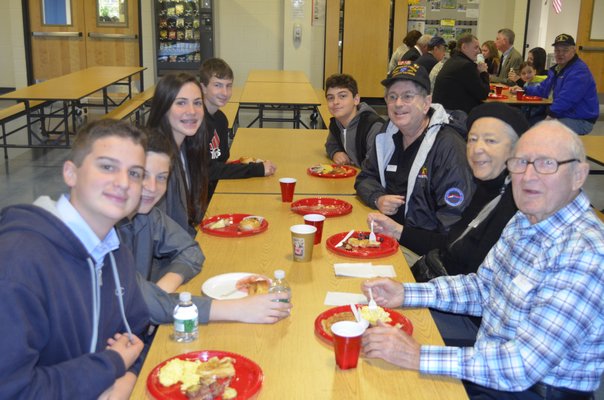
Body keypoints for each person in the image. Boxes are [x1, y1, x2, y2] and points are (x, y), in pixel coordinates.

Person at [362, 120, 603, 399]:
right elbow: (483, 287)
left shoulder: (585, 253)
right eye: (520, 162)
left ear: (578, 175)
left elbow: (522, 365)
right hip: (489, 365)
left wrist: (417, 356)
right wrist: (405, 292)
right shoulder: (524, 221)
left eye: (547, 164)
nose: (528, 176)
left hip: (531, 390)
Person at [0, 119, 149, 399]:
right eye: (107, 166)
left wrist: (125, 379)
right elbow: (12, 391)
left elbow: (137, 335)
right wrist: (112, 365)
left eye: (135, 173)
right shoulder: (17, 263)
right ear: (71, 173)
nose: (123, 183)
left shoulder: (117, 254)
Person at [118, 130, 292, 325]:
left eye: (161, 177)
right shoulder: (104, 231)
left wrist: (163, 288)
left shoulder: (147, 214)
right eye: (141, 175)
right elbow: (140, 303)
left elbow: (190, 250)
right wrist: (236, 309)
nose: (151, 186)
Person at [369, 102, 528, 284]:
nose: (477, 149)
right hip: (438, 281)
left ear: (517, 148)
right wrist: (397, 231)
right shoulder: (486, 189)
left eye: (490, 140)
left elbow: (481, 289)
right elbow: (451, 245)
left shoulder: (519, 207)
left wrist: (413, 293)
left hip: (452, 300)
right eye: (473, 139)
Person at [354, 64, 474, 257]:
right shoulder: (388, 133)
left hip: (423, 254)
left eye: (408, 96)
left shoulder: (448, 147)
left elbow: (452, 231)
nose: (398, 103)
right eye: (392, 97)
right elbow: (365, 178)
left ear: (426, 102)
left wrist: (401, 233)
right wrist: (378, 197)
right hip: (387, 236)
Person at [199, 58, 277, 197]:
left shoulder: (221, 120)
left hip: (216, 189)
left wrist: (249, 164)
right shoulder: (195, 122)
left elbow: (220, 162)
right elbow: (207, 170)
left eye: (229, 86)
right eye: (217, 85)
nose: (224, 92)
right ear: (203, 87)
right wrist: (255, 169)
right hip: (198, 197)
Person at [147, 72, 208, 235]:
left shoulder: (186, 147)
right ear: (163, 107)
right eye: (181, 103)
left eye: (197, 103)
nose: (192, 111)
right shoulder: (156, 158)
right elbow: (159, 233)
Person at [511, 34, 599, 135]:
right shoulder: (557, 69)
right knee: (527, 122)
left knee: (541, 130)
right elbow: (542, 89)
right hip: (563, 114)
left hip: (580, 119)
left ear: (574, 50)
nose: (560, 54)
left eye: (565, 50)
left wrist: (550, 116)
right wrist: (523, 90)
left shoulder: (579, 71)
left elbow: (566, 99)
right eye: (557, 50)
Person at [323, 73, 385, 167]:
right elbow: (330, 144)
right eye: (330, 98)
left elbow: (374, 166)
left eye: (342, 96)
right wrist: (336, 153)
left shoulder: (373, 127)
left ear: (356, 99)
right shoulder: (337, 122)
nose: (335, 102)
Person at [432, 34, 490, 114]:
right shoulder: (466, 66)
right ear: (464, 47)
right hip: (455, 117)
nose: (479, 51)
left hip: (444, 112)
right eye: (476, 48)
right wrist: (484, 72)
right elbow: (483, 94)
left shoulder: (453, 60)